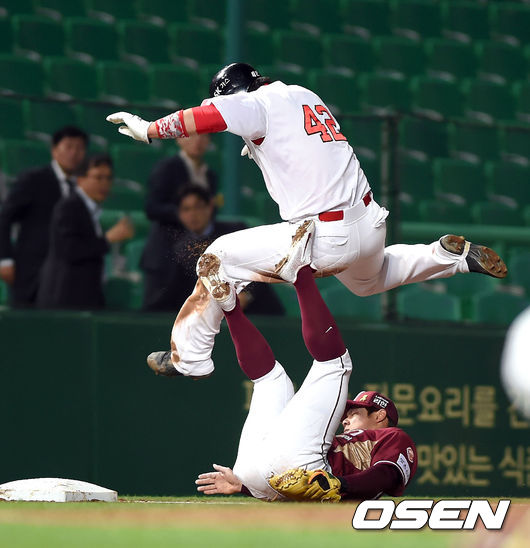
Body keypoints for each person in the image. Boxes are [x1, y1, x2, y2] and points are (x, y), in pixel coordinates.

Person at [106, 62, 507, 379]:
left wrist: (151, 129)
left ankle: (189, 359)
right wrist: (262, 148)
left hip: (325, 235)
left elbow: (206, 117)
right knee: (368, 282)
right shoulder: (301, 93)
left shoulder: (253, 103)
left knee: (216, 257)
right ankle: (449, 257)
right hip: (368, 222)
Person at [194, 244, 417, 501]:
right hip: (255, 471)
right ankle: (230, 307)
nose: (345, 420)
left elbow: (388, 475)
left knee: (336, 364)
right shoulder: (333, 440)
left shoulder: (394, 437)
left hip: (308, 467)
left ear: (380, 415)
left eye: (355, 413)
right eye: (347, 414)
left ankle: (300, 271)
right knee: (271, 380)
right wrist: (244, 486)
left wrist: (339, 484)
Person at [142, 184, 284, 315]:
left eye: (198, 207)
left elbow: (258, 268)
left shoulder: (235, 231)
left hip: (257, 313)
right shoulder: (179, 249)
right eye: (186, 209)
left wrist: (246, 295)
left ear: (209, 207)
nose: (192, 214)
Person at [0, 126, 88, 307]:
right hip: (32, 271)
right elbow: (4, 218)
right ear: (54, 150)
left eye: (79, 148)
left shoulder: (83, 187)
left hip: (67, 276)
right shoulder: (34, 179)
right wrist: (5, 259)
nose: (74, 153)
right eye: (68, 147)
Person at [37, 154, 134, 310]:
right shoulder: (69, 207)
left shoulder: (91, 210)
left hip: (84, 298)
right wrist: (108, 239)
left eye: (108, 178)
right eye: (98, 177)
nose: (104, 183)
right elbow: (70, 249)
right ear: (80, 179)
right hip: (66, 299)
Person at [141, 133, 218, 307]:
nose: (198, 141)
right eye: (191, 136)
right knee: (158, 312)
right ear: (179, 139)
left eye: (203, 136)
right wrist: (183, 214)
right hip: (164, 256)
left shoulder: (210, 175)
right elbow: (152, 207)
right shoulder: (167, 168)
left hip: (194, 257)